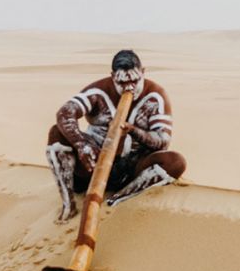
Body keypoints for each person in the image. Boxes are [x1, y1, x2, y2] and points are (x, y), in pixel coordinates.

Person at [45, 50, 187, 223]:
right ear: (113, 76)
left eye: (134, 81)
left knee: (176, 162)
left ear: (143, 72)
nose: (129, 87)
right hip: (92, 164)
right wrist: (82, 144)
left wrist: (134, 131)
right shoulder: (98, 91)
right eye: (122, 82)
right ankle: (68, 203)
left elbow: (163, 141)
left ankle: (119, 199)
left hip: (132, 169)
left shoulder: (156, 95)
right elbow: (64, 113)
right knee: (56, 132)